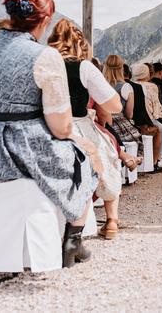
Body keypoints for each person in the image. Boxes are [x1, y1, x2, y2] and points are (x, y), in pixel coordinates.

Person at [0, 0, 100, 268]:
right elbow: (61, 127)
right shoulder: (44, 56)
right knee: (85, 157)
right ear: (45, 21)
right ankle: (74, 237)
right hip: (17, 151)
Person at [48, 19, 129, 240]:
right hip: (77, 124)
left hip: (46, 125)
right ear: (80, 44)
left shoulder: (43, 64)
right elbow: (115, 106)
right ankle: (112, 220)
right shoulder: (83, 67)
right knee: (108, 156)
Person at [105, 57, 162, 172]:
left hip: (105, 124)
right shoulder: (126, 87)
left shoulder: (102, 84)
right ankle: (149, 162)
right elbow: (129, 114)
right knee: (142, 135)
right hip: (119, 125)